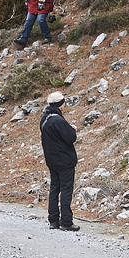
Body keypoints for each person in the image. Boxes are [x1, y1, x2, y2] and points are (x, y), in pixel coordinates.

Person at [40, 91, 80, 231]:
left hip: (52, 161)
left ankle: (53, 220)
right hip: (65, 161)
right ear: (60, 105)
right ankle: (66, 222)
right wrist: (72, 130)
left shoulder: (45, 118)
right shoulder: (58, 120)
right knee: (66, 190)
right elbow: (70, 138)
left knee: (54, 189)